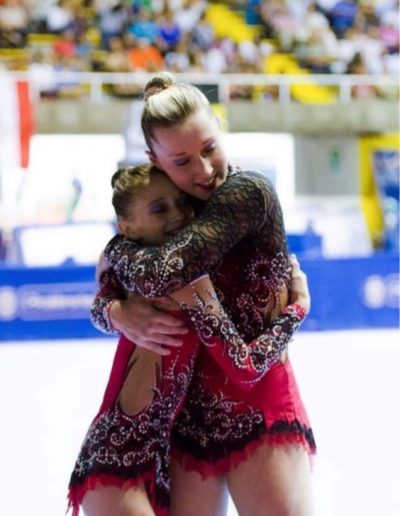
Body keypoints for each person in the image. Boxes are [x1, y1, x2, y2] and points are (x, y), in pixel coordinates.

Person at [94, 72, 316, 516]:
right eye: (181, 161)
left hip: (259, 396)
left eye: (210, 147)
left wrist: (116, 251)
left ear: (220, 127)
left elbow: (158, 274)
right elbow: (110, 292)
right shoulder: (172, 211)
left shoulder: (247, 193)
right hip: (187, 412)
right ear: (153, 159)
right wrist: (115, 312)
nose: (204, 170)